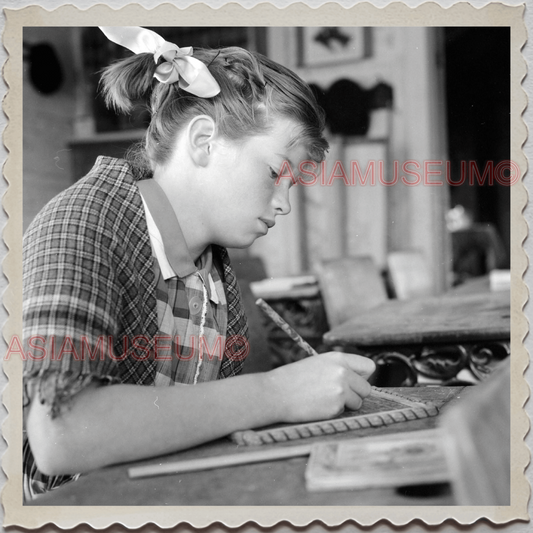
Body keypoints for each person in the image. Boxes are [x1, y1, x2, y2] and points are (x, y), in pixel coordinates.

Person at [22, 27, 375, 501]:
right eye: (275, 173)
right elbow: (61, 434)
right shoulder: (81, 222)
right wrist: (276, 394)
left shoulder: (211, 263)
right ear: (204, 140)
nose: (284, 205)